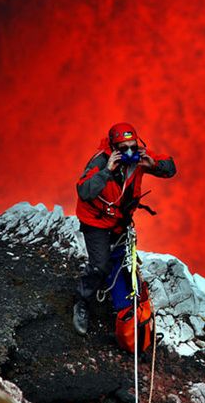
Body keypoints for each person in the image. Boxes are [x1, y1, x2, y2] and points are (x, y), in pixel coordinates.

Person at [73, 122, 176, 335]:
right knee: (99, 266)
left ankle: (117, 299)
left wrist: (154, 164)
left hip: (120, 220)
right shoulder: (100, 162)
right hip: (97, 221)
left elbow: (170, 168)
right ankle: (82, 301)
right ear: (113, 147)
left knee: (123, 261)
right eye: (123, 148)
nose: (129, 151)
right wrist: (107, 172)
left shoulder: (139, 157)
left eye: (132, 145)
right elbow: (84, 190)